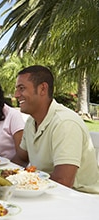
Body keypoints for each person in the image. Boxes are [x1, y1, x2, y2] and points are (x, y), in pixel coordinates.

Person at [13, 65, 99, 193]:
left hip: (79, 199)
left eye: (21, 88)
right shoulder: (32, 121)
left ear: (43, 89)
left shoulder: (65, 123)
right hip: (46, 192)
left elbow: (63, 182)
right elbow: (21, 158)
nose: (16, 95)